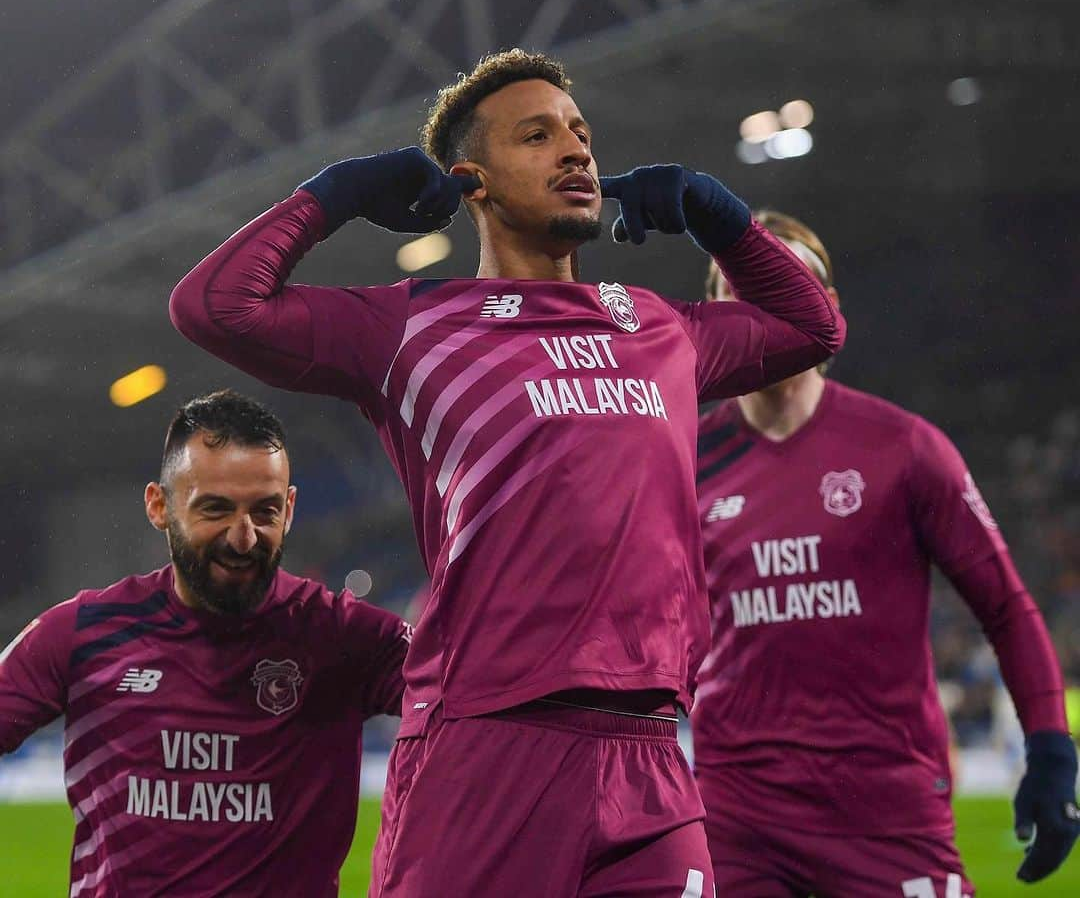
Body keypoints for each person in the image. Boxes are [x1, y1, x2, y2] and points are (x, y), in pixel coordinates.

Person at [169, 48, 846, 897]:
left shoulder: (661, 326)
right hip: (487, 750)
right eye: (538, 135)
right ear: (472, 182)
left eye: (582, 134)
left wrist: (719, 216)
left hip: (652, 764)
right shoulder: (412, 326)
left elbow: (813, 327)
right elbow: (213, 305)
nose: (576, 152)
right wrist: (333, 196)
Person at [691, 209, 1078, 896]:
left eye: (778, 279)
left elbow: (1008, 608)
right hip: (735, 812)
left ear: (825, 306)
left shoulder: (903, 448)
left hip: (885, 807)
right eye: (733, 287)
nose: (756, 298)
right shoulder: (679, 460)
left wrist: (1050, 749)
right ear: (711, 317)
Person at [0, 390, 410, 897]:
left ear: (291, 509)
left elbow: (482, 695)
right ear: (159, 506)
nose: (243, 538)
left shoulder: (343, 636)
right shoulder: (83, 632)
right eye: (215, 509)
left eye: (265, 511)